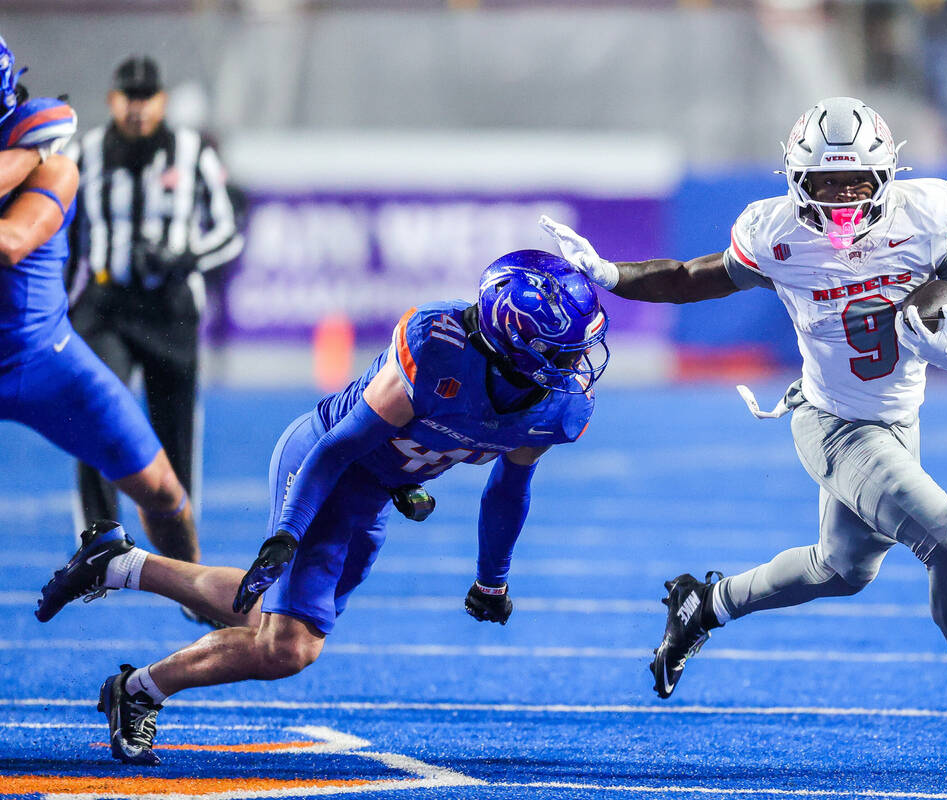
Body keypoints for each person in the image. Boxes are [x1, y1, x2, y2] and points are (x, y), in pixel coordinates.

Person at [541, 96, 947, 754]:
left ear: (887, 177)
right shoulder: (777, 234)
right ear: (797, 181)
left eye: (856, 181)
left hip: (897, 422)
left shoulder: (929, 216)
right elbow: (688, 277)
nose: (843, 197)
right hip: (832, 423)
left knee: (843, 569)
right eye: (826, 183)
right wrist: (609, 274)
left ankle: (704, 606)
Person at [36, 249, 609, 766]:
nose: (580, 361)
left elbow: (508, 488)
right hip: (325, 464)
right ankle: (138, 689)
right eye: (566, 349)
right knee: (289, 646)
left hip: (375, 489)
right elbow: (339, 447)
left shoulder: (555, 408)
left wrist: (492, 580)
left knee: (276, 623)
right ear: (513, 346)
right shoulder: (439, 348)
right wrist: (286, 533)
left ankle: (115, 564)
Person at [0, 35, 200, 565]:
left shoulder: (55, 166)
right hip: (80, 327)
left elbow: (11, 243)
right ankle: (97, 544)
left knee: (162, 490)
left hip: (41, 355)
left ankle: (197, 591)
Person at [66, 55, 244, 532]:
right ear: (112, 101)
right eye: (130, 98)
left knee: (175, 435)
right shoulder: (85, 152)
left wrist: (183, 257)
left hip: (171, 312)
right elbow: (62, 232)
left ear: (162, 102)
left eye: (147, 98)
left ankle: (182, 553)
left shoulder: (193, 153)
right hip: (107, 305)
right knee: (98, 406)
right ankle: (98, 537)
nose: (138, 109)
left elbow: (229, 231)